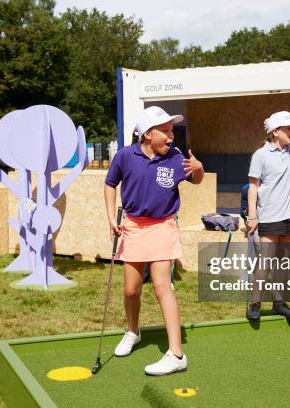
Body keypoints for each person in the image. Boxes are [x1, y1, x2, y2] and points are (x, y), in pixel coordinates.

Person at [104, 106, 204, 376]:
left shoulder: (176, 156)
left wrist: (199, 169)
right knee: (131, 290)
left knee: (162, 287)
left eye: (172, 130)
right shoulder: (126, 156)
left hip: (163, 226)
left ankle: (176, 354)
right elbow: (110, 183)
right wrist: (111, 218)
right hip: (134, 227)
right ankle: (133, 332)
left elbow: (195, 179)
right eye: (166, 131)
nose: (172, 136)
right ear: (148, 134)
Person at [245, 111, 290, 320]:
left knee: (283, 262)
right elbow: (252, 188)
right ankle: (255, 303)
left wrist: (284, 119)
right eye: (288, 128)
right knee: (265, 263)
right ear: (275, 132)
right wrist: (253, 216)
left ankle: (279, 303)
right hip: (269, 217)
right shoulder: (260, 155)